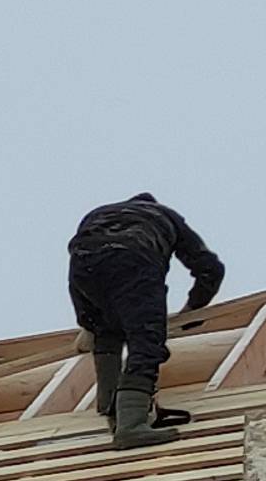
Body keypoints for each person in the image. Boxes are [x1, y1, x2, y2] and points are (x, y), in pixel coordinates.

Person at [65, 193, 224, 450]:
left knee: (105, 330)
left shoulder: (100, 213)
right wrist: (192, 310)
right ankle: (131, 426)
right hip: (132, 258)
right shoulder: (165, 215)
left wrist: (88, 323)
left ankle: (113, 411)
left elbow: (88, 255)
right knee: (146, 343)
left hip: (82, 266)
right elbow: (210, 269)